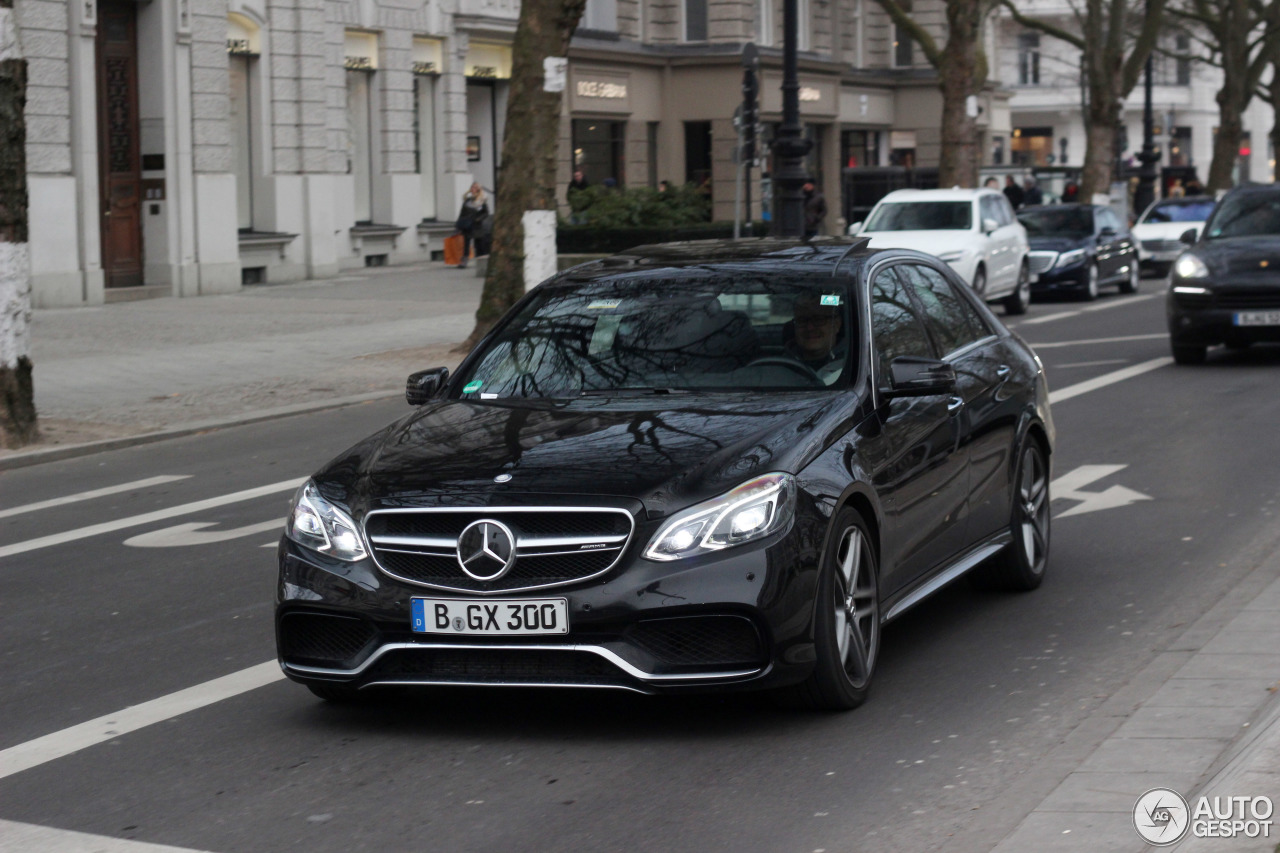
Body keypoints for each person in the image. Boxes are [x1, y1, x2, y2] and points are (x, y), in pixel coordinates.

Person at [787, 293, 845, 385]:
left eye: (819, 319)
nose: (810, 328)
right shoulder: (779, 365)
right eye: (802, 320)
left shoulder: (855, 364)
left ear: (836, 324)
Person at [454, 182, 489, 269]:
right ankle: (464, 261)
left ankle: (482, 261)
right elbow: (462, 212)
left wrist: (478, 219)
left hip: (477, 225)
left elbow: (486, 213)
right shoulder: (467, 200)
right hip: (467, 225)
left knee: (479, 243)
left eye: (475, 187)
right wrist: (458, 224)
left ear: (478, 190)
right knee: (466, 243)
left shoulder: (481, 200)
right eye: (472, 187)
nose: (473, 189)